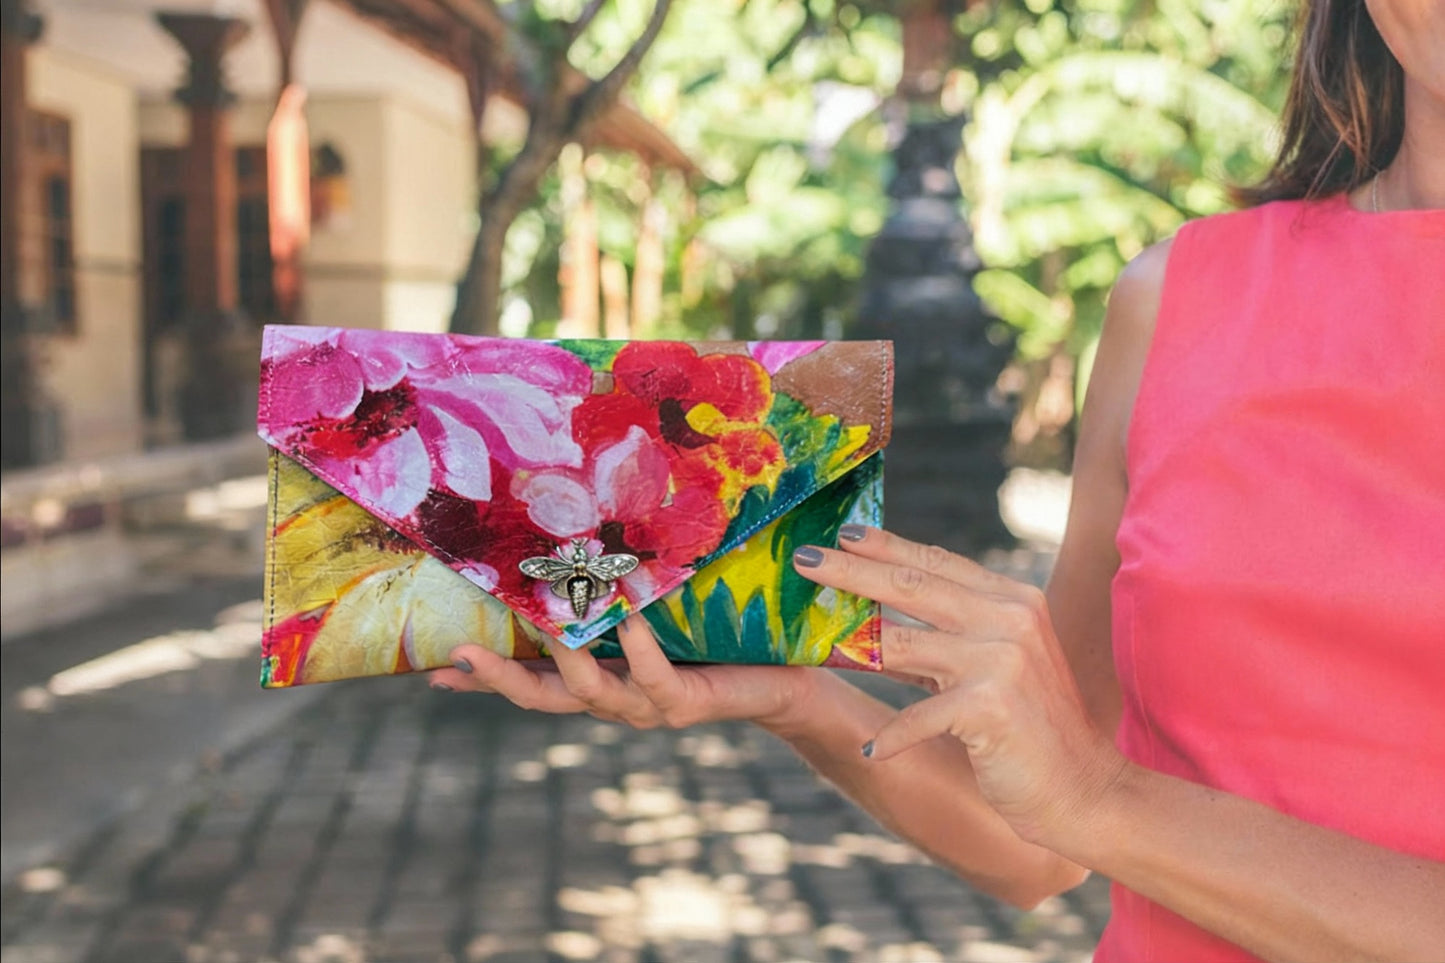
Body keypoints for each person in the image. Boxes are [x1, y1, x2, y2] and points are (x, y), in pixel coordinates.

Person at [427, 0, 1445, 958]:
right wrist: (798, 699)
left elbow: (1093, 803)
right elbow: (1039, 840)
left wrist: (1101, 798)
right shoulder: (1178, 296)